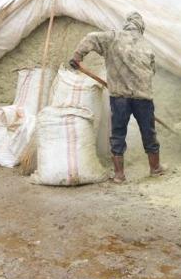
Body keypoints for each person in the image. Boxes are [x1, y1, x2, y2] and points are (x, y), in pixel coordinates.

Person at [69, 11, 164, 183]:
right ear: (141, 27)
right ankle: (155, 169)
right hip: (143, 97)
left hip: (119, 96)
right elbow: (152, 71)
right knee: (149, 132)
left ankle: (119, 175)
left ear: (127, 24)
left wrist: (78, 56)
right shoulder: (146, 45)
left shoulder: (113, 37)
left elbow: (91, 38)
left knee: (118, 133)